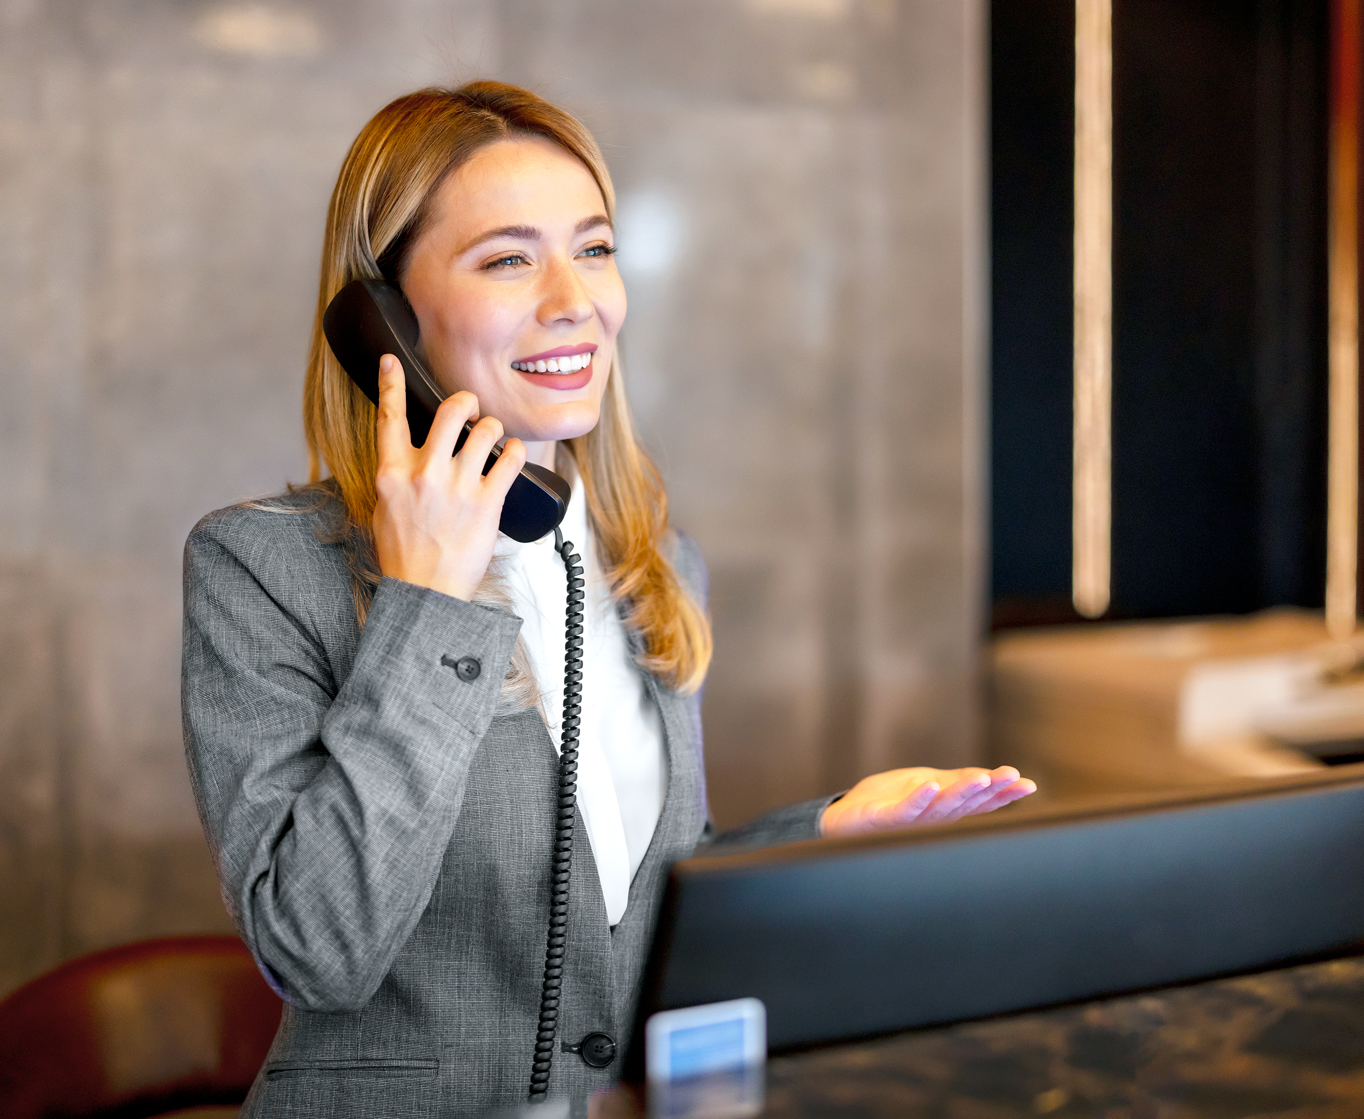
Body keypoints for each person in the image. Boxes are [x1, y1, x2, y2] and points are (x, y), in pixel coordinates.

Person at [182, 81, 1035, 1117]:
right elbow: (317, 947)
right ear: (385, 319)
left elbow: (626, 901)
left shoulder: (647, 559)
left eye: (593, 248)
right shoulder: (263, 569)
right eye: (508, 259)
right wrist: (430, 600)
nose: (574, 299)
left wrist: (825, 835)